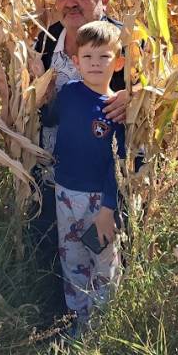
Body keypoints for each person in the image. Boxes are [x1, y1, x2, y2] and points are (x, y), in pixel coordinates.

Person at [30, 0, 130, 318]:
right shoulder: (44, 39)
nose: (70, 2)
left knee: (107, 254)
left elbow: (162, 87)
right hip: (55, 175)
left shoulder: (123, 42)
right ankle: (64, 311)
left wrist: (136, 94)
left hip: (105, 176)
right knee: (64, 249)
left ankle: (107, 321)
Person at [39, 20, 127, 333]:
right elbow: (45, 115)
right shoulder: (69, 94)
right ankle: (78, 323)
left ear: (118, 63)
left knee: (104, 266)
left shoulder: (118, 110)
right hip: (65, 193)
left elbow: (120, 166)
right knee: (72, 260)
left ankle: (102, 329)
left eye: (103, 58)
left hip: (97, 201)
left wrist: (107, 210)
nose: (94, 64)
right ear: (76, 62)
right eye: (87, 57)